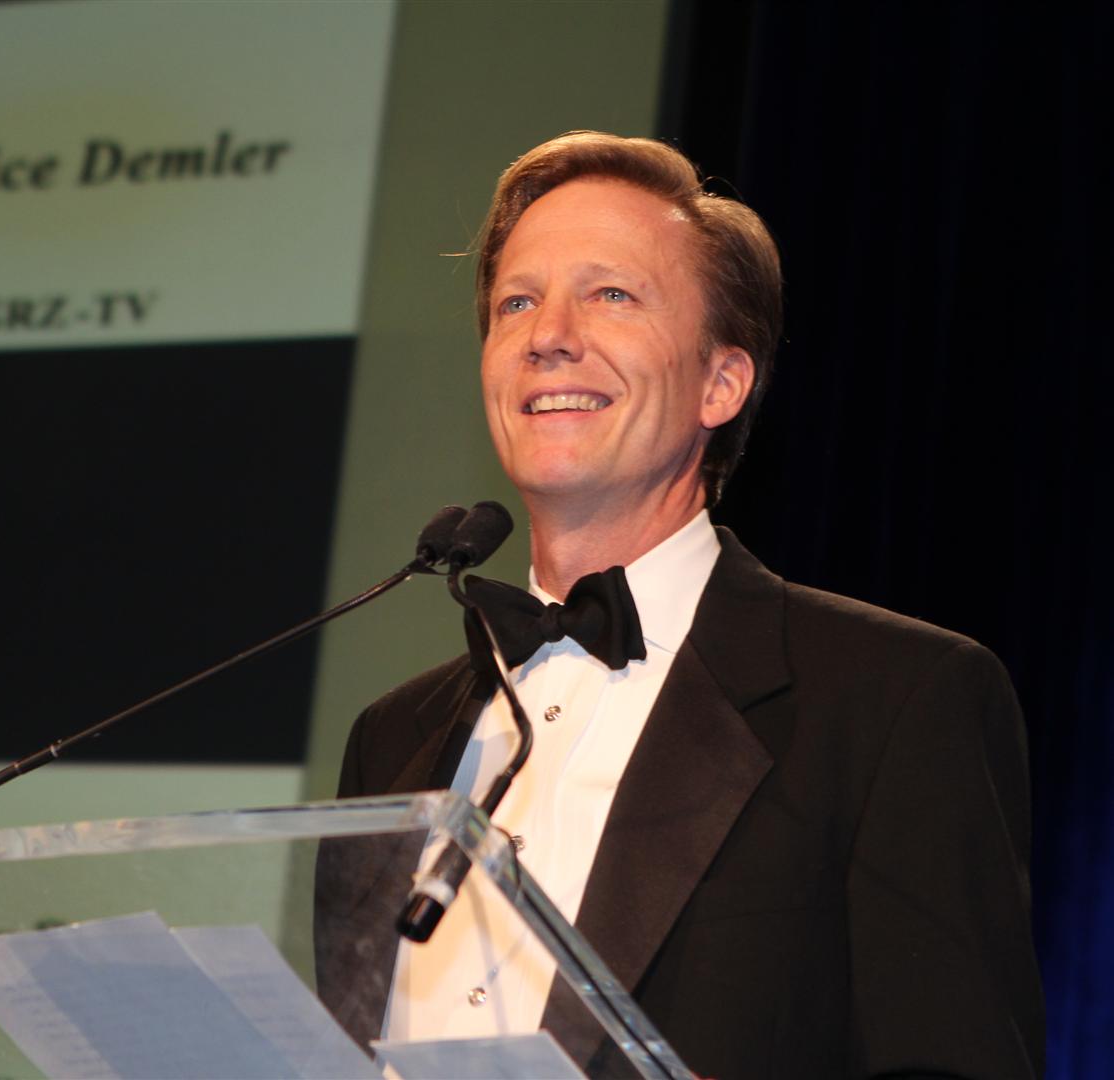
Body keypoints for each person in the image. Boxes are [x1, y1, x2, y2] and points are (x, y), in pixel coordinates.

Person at [317, 131, 1044, 1079]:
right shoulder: (391, 739)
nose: (547, 335)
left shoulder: (896, 701)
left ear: (721, 383)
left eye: (611, 295)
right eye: (517, 302)